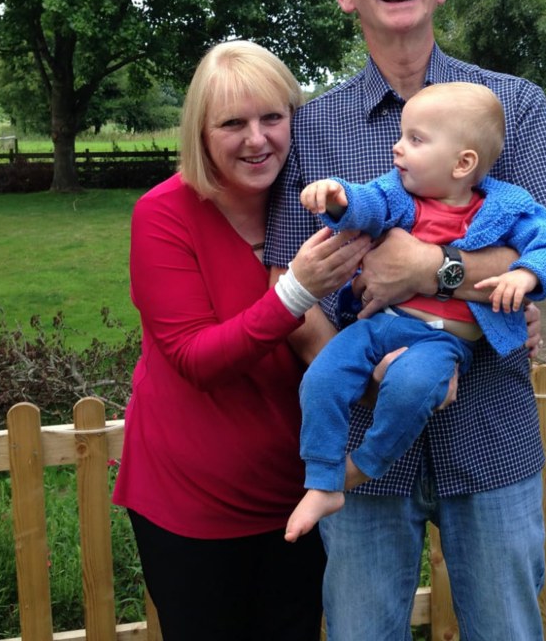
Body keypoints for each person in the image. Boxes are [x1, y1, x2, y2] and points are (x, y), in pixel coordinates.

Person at [266, 0, 546, 641]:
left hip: (490, 429)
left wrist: (433, 268)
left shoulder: (509, 107)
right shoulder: (311, 126)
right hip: (363, 454)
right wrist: (384, 368)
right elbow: (287, 288)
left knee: (508, 630)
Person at [112, 40, 372, 640]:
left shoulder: (317, 207)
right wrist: (295, 293)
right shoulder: (164, 214)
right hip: (191, 504)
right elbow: (196, 359)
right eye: (233, 123)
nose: (257, 139)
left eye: (272, 118)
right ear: (201, 132)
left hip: (297, 491)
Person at [285, 81, 546, 542]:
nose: (397, 148)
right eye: (402, 136)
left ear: (463, 163)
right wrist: (339, 197)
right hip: (379, 323)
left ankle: (361, 466)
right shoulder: (398, 192)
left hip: (442, 340)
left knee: (411, 388)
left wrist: (527, 276)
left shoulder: (507, 205)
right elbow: (368, 204)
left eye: (415, 140)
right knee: (320, 380)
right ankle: (322, 478)